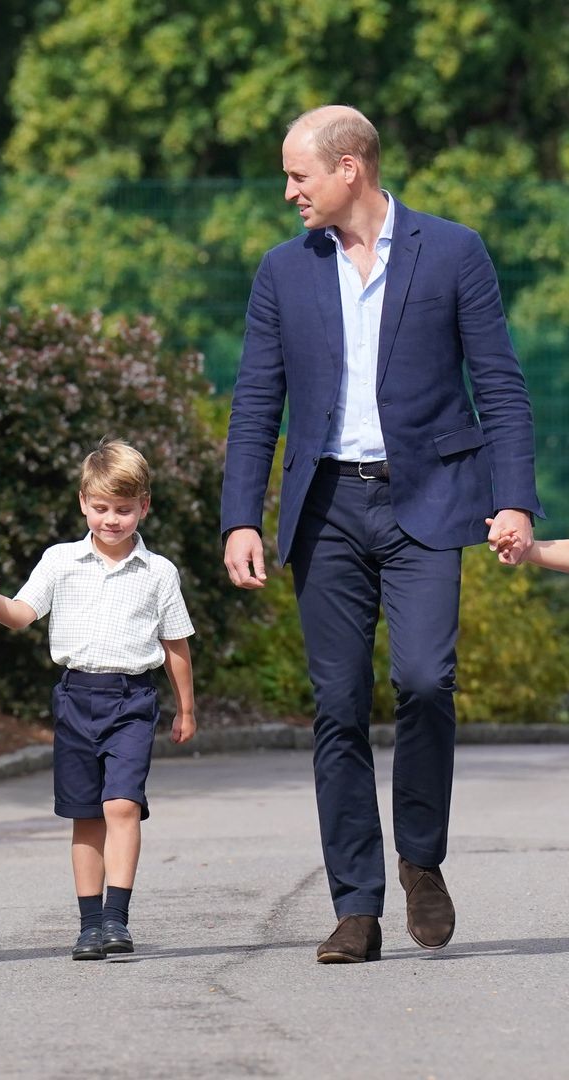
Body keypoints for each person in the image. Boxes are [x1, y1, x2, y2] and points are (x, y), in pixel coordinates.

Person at [220, 106, 541, 964]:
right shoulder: (283, 271)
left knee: (428, 681)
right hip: (325, 508)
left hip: (430, 499)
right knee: (337, 706)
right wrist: (242, 516)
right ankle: (355, 904)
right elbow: (257, 401)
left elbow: (501, 386)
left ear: (350, 168)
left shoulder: (453, 251)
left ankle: (422, 860)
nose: (289, 192)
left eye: (299, 175)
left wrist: (514, 499)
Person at [0, 439, 196, 960]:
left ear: (144, 506)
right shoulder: (60, 561)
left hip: (132, 698)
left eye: (123, 509)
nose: (111, 519)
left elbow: (176, 643)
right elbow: (21, 614)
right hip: (75, 698)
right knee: (86, 815)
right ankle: (89, 925)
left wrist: (187, 708)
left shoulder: (158, 572)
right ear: (82, 503)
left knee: (121, 805)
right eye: (101, 508)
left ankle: (117, 918)